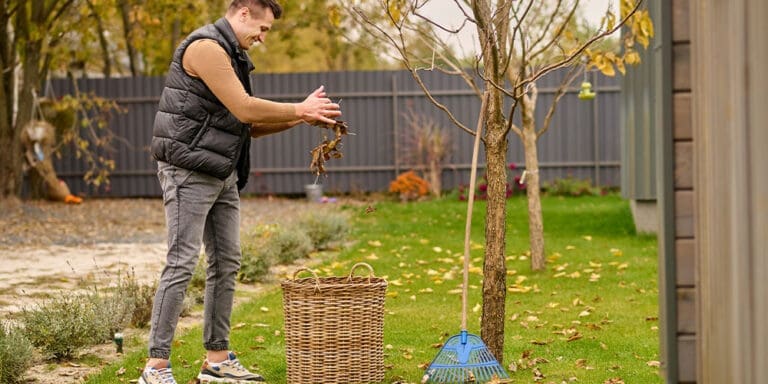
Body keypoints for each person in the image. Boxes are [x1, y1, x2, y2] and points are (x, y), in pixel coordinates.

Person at [141, 1, 341, 383]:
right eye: (262, 29)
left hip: (222, 172)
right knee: (182, 262)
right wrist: (298, 109)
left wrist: (301, 117)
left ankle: (216, 361)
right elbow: (246, 109)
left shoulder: (233, 54)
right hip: (188, 170)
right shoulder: (206, 49)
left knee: (227, 261)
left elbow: (244, 126)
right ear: (244, 12)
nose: (262, 38)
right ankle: (156, 367)